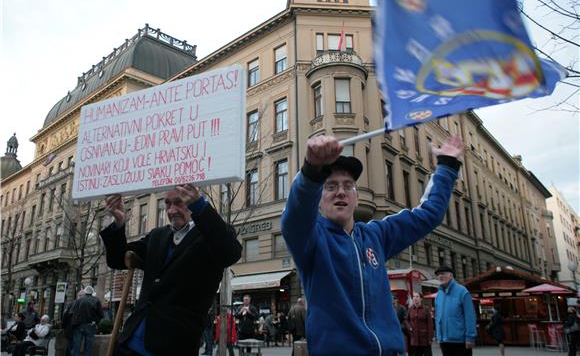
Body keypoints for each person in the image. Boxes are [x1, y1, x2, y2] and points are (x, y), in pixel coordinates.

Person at [281, 134, 463, 356]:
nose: (340, 191)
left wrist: (446, 166)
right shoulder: (310, 240)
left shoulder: (376, 235)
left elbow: (428, 215)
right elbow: (295, 216)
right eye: (330, 186)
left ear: (356, 198)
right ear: (318, 199)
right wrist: (310, 171)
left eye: (348, 185)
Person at [102, 184, 242, 355]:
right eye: (167, 204)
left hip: (173, 346)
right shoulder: (157, 235)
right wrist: (118, 222)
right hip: (128, 344)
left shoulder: (210, 236)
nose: (171, 210)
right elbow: (118, 259)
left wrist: (200, 206)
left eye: (179, 203)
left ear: (193, 201)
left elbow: (230, 253)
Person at [434, 265, 476, 356]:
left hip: (460, 341)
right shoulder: (439, 294)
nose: (440, 276)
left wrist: (470, 337)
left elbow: (470, 316)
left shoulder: (462, 291)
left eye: (443, 273)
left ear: (451, 276)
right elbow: (437, 317)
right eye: (438, 274)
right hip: (444, 341)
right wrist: (438, 336)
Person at [70, 286, 104, 356]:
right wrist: (95, 322)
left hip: (78, 325)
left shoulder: (79, 300)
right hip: (90, 325)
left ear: (85, 292)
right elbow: (101, 315)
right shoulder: (96, 300)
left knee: (76, 346)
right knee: (89, 347)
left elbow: (71, 312)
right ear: (92, 292)